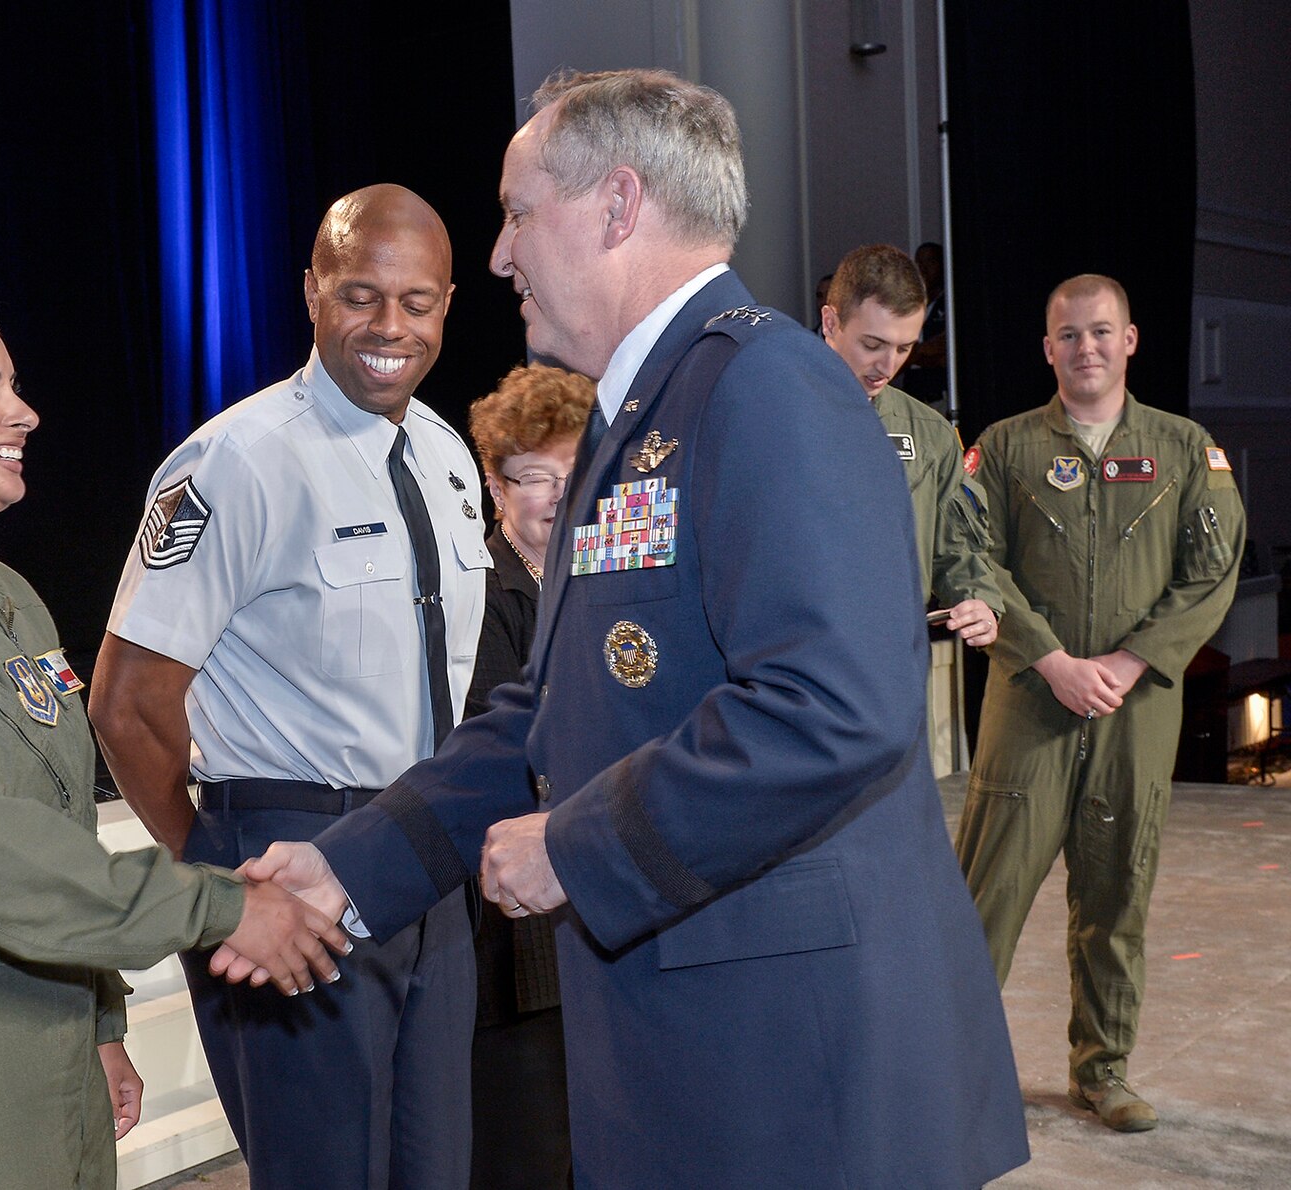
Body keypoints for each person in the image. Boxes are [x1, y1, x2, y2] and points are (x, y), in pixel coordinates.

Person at [235, 70, 1030, 1186]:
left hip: (794, 1067)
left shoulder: (764, 386)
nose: (500, 254)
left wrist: (574, 842)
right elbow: (554, 706)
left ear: (615, 205)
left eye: (516, 213)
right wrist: (343, 868)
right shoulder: (642, 407)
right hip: (697, 1038)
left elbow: (836, 707)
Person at [0, 296, 346, 1189]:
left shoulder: (7, 598)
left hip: (56, 1036)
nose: (24, 411)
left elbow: (56, 822)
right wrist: (222, 905)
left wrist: (102, 1022)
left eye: (15, 384)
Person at [89, 184, 486, 1189]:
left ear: (446, 305)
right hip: (284, 859)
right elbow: (127, 702)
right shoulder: (236, 460)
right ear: (310, 290)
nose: (389, 327)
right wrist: (210, 875)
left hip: (423, 862)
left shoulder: (445, 455)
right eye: (359, 294)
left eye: (417, 300)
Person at [957, 274, 1245, 1133]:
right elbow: (972, 558)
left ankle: (1103, 1071)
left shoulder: (1187, 449)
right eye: (1069, 334)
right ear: (1047, 348)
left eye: (1101, 332)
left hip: (1134, 709)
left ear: (1131, 341)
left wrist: (1129, 660)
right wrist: (1048, 659)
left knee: (1118, 898)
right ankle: (951, 1073)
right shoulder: (1003, 450)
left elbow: (1212, 571)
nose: (1086, 347)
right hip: (1029, 704)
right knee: (986, 897)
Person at [462, 363, 591, 1190]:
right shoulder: (479, 589)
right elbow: (505, 753)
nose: (553, 496)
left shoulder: (610, 582)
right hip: (515, 932)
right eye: (532, 477)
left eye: (572, 476)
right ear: (494, 481)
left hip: (601, 898)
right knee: (529, 1150)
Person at [820, 244, 1001, 642]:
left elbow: (957, 548)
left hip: (897, 656)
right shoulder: (772, 417)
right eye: (872, 345)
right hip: (799, 661)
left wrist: (979, 602)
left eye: (904, 348)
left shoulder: (928, 431)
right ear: (831, 323)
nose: (889, 366)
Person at [897, 241, 947, 405]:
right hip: (912, 396)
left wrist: (911, 355)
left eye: (930, 262)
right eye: (918, 263)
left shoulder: (949, 305)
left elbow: (944, 351)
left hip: (941, 397)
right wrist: (921, 353)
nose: (923, 269)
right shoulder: (907, 306)